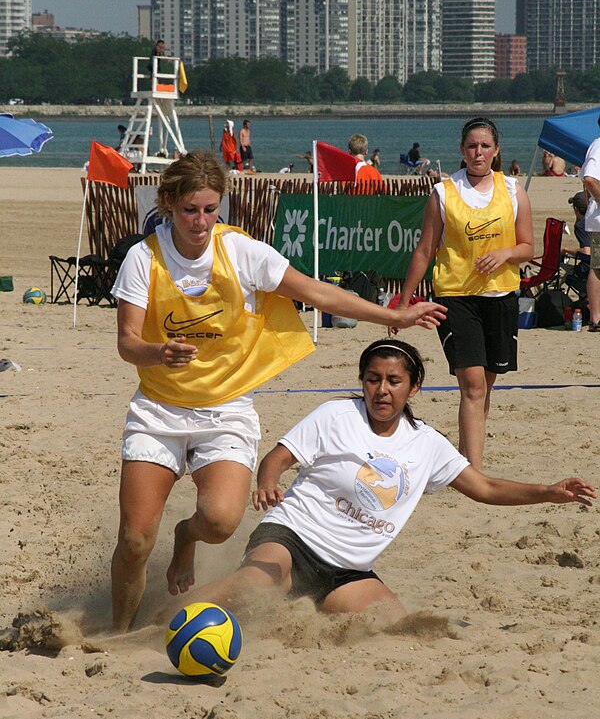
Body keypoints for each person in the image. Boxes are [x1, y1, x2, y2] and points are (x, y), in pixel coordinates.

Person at [109, 151, 447, 632]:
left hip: (225, 408)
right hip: (159, 410)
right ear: (168, 204)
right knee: (136, 539)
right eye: (190, 210)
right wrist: (158, 353)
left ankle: (186, 537)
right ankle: (119, 633)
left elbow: (317, 293)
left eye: (210, 209)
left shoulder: (243, 252)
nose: (201, 221)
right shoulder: (143, 258)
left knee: (221, 521)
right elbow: (127, 343)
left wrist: (394, 315)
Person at [188, 340, 594, 623]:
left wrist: (548, 492)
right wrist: (268, 481)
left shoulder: (427, 444)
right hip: (292, 539)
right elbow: (277, 458)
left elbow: (484, 488)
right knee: (256, 584)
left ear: (413, 387)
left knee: (399, 628)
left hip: (348, 571)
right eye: (372, 379)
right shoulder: (336, 415)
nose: (381, 390)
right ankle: (171, 619)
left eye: (393, 381)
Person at [394, 117, 534, 471]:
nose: (478, 152)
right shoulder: (443, 193)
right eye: (472, 146)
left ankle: (465, 454)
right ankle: (472, 470)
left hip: (501, 296)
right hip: (456, 297)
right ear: (462, 150)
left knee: (484, 386)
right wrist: (403, 302)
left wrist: (505, 253)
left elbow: (528, 247)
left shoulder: (514, 191)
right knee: (471, 384)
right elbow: (425, 250)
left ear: (496, 150)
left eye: (485, 146)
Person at [580, 121, 600, 331]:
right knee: (598, 266)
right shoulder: (598, 146)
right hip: (599, 220)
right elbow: (589, 179)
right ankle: (596, 317)